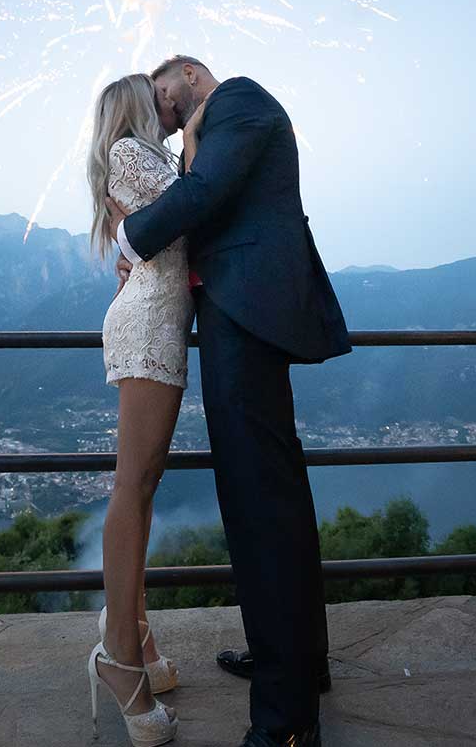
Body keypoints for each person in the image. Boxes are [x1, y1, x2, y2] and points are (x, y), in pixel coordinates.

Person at [111, 55, 350, 747]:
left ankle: (284, 720)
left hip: (245, 317)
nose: (164, 114)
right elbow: (204, 198)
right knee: (271, 498)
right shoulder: (208, 135)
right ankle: (298, 663)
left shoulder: (240, 101)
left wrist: (128, 236)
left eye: (163, 96)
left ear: (188, 72)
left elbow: (205, 194)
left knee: (260, 504)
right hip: (240, 316)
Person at [85, 73, 194, 745]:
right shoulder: (130, 151)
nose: (168, 105)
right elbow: (196, 208)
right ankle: (119, 658)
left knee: (145, 484)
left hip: (160, 316)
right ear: (133, 106)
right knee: (134, 483)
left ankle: (137, 633)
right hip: (149, 322)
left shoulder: (149, 158)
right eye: (157, 99)